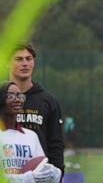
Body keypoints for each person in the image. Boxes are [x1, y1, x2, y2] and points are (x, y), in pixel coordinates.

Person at [9, 43, 65, 174]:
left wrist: (58, 173)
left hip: (38, 174)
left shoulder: (48, 101)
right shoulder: (1, 97)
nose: (25, 63)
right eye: (19, 59)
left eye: (29, 59)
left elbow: (55, 143)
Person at [0, 81, 61, 182]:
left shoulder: (31, 136)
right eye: (10, 96)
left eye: (20, 96)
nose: (17, 100)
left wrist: (54, 174)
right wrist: (28, 178)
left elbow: (42, 167)